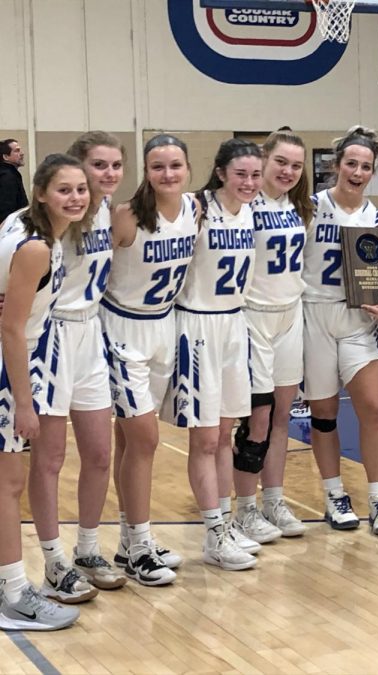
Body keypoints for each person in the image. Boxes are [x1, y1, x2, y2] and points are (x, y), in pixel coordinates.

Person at [27, 133, 128, 604]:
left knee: (99, 453)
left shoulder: (107, 211)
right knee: (50, 459)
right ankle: (52, 560)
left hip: (92, 334)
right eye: (96, 166)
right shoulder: (38, 226)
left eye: (114, 166)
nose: (104, 175)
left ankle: (88, 549)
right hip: (50, 335)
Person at [161, 139, 261, 571]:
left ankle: (224, 522)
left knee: (224, 434)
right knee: (203, 438)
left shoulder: (251, 211)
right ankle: (213, 533)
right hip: (197, 326)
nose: (250, 182)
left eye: (255, 175)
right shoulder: (195, 208)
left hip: (234, 324)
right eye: (241, 174)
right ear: (220, 172)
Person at [103, 134, 196, 586]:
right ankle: (140, 545)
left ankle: (129, 541)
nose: (167, 174)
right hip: (123, 332)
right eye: (158, 167)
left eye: (175, 165)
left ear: (188, 169)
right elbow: (87, 272)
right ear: (146, 170)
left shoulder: (195, 211)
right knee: (145, 440)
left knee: (130, 443)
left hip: (164, 328)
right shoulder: (125, 217)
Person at [0, 154, 86, 631]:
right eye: (64, 190)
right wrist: (26, 402)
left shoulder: (18, 223)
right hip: (8, 362)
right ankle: (13, 596)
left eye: (80, 189)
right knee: (8, 485)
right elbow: (12, 329)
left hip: (14, 355)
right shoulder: (35, 247)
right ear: (40, 192)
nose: (75, 197)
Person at [302, 125, 378, 536]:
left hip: (358, 322)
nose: (357, 172)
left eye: (366, 167)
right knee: (323, 414)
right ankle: (334, 494)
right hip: (315, 318)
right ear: (336, 165)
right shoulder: (308, 207)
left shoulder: (376, 218)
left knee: (373, 409)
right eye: (351, 163)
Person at [230, 130, 314, 543]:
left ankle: (274, 500)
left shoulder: (298, 207)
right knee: (256, 419)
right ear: (264, 158)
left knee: (283, 414)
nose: (288, 171)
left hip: (289, 315)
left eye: (296, 165)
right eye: (281, 161)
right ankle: (244, 508)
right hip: (251, 317)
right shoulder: (242, 201)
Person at [0, 139, 28, 224]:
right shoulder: (8, 176)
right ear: (6, 157)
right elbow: (7, 209)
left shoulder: (8, 174)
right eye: (17, 151)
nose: (22, 154)